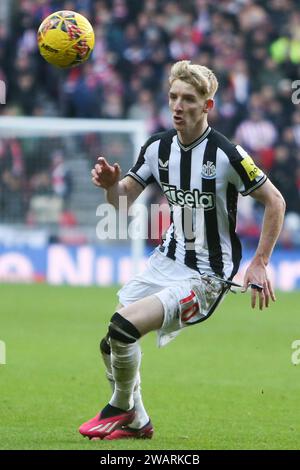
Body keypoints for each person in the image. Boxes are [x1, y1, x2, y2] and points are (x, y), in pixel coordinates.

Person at [79, 60, 286, 440]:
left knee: (123, 327)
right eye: (173, 97)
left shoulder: (227, 154)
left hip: (207, 275)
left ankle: (120, 408)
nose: (178, 106)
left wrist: (260, 262)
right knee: (111, 343)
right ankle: (138, 420)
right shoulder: (158, 147)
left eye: (188, 99)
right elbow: (123, 202)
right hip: (167, 260)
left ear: (207, 106)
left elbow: (276, 201)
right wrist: (110, 185)